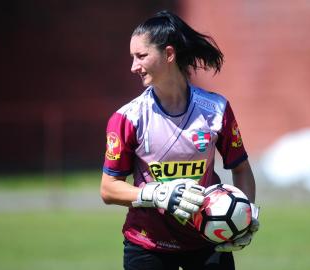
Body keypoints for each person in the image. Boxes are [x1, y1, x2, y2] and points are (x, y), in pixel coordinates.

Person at [100, 10, 259, 270]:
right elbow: (108, 189)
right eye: (132, 57)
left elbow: (241, 168)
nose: (133, 66)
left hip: (208, 241)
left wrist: (245, 213)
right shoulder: (127, 118)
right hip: (147, 245)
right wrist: (155, 194)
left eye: (141, 56)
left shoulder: (216, 109)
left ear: (169, 54)